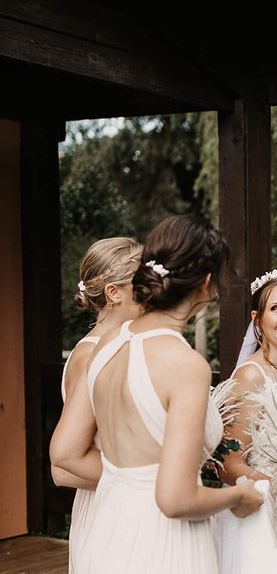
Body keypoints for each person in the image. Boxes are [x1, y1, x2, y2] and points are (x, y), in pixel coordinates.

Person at [50, 214, 263, 573]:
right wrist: (240, 496)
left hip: (107, 527)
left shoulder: (106, 346)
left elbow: (63, 451)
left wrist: (127, 482)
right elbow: (175, 498)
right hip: (164, 541)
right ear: (207, 284)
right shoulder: (185, 364)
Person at [53, 237, 143, 572]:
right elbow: (62, 468)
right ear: (113, 292)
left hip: (137, 508)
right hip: (110, 511)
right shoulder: (91, 354)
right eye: (142, 282)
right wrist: (148, 477)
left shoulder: (129, 345)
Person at [215, 268, 277, 574]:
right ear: (257, 320)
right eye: (276, 308)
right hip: (257, 518)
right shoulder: (251, 376)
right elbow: (228, 464)